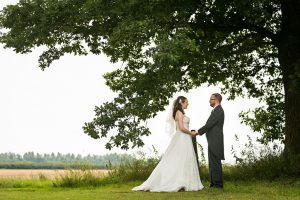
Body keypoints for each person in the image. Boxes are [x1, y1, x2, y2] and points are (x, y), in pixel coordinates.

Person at [132, 96, 204, 192]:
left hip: (185, 138)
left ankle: (185, 181)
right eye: (186, 102)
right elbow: (181, 128)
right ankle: (177, 181)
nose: (188, 104)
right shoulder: (179, 113)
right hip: (182, 138)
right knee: (180, 159)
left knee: (185, 159)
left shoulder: (181, 113)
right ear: (181, 103)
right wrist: (191, 133)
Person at [194, 93, 225, 189]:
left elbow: (209, 124)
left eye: (211, 99)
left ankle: (217, 184)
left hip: (216, 139)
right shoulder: (215, 110)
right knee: (212, 161)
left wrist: (198, 132)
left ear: (216, 99)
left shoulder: (219, 110)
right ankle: (213, 183)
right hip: (212, 139)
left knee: (215, 161)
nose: (209, 101)